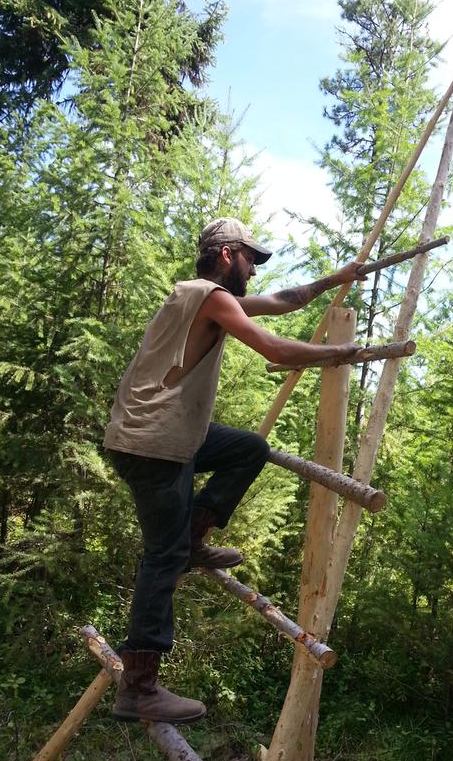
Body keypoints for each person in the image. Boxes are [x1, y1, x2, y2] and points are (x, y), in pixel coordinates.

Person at [104, 217, 364, 724]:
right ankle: (138, 687)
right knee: (163, 555)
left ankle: (194, 539)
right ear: (227, 255)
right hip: (154, 445)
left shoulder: (205, 298)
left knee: (248, 449)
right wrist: (339, 354)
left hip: (167, 437)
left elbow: (285, 299)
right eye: (249, 258)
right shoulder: (210, 296)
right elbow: (275, 347)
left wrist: (337, 278)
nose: (253, 269)